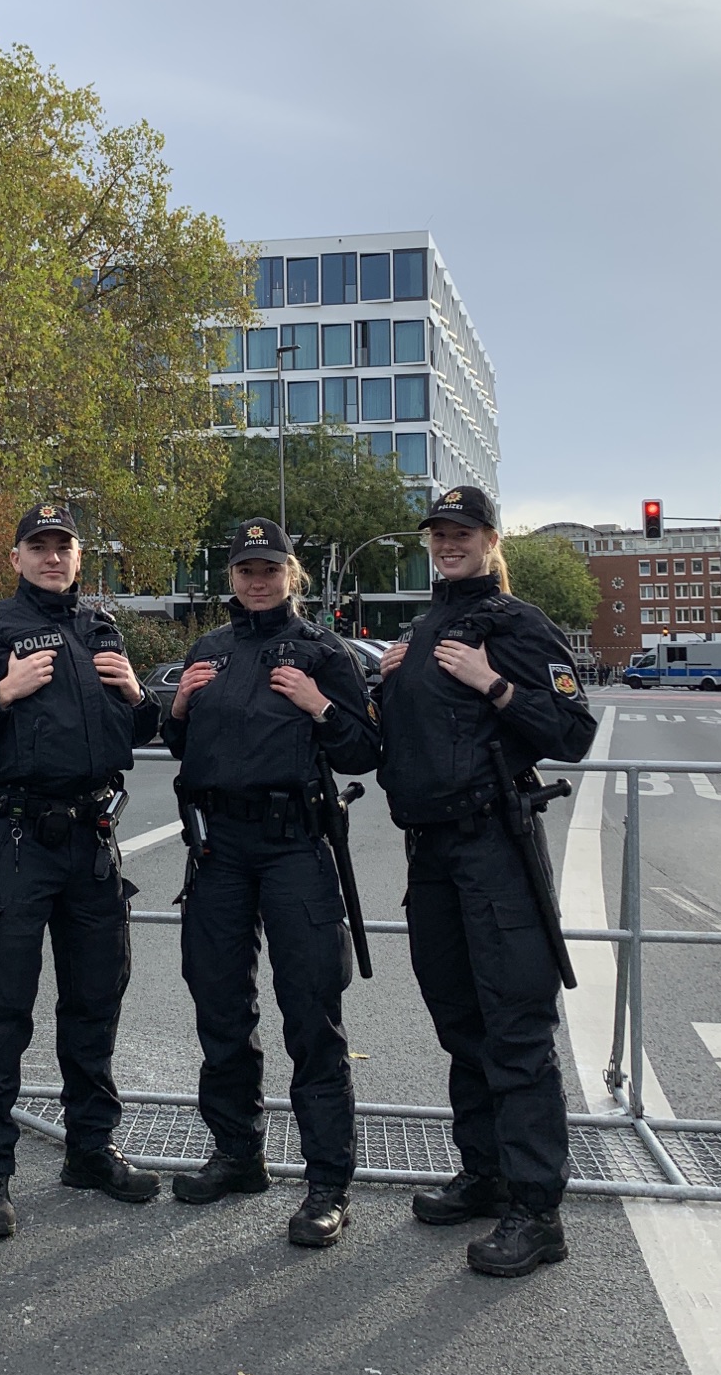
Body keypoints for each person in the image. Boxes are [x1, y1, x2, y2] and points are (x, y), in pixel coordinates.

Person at [0, 504, 163, 1239]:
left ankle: (90, 1150)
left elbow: (136, 732)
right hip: (18, 841)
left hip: (91, 841)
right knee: (1, 1009)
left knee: (94, 1005)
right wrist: (2, 691)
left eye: (64, 547)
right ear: (17, 557)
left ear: (80, 557)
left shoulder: (101, 630)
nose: (53, 558)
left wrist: (137, 697)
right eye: (39, 547)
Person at [372, 486, 596, 1278]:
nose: (447, 544)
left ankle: (537, 1211)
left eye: (462, 533)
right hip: (429, 853)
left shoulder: (517, 625)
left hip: (494, 847)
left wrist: (493, 683)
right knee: (460, 1020)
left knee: (516, 1029)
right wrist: (385, 685)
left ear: (492, 538)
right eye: (439, 533)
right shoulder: (424, 626)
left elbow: (574, 731)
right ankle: (486, 1170)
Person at [163, 517, 378, 1249]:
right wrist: (181, 709)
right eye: (246, 570)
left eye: (271, 568)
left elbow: (362, 749)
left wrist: (319, 705)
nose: (258, 580)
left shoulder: (325, 650)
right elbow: (183, 747)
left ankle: (327, 1184)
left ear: (294, 574)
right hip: (220, 848)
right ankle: (237, 1153)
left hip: (294, 846)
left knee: (311, 1014)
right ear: (232, 579)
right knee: (220, 1006)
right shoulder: (210, 650)